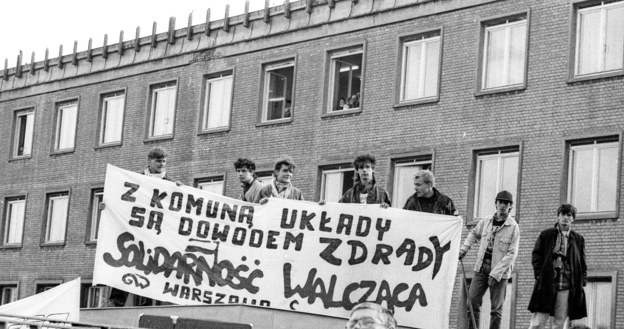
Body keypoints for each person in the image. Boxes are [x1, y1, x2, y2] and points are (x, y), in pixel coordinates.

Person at [107, 146, 181, 306]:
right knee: (127, 261)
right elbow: (119, 197)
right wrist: (106, 205)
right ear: (149, 161)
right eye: (158, 161)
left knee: (152, 265)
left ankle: (147, 303)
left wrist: (181, 191)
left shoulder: (171, 184)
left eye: (164, 161)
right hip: (135, 229)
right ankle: (116, 300)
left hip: (155, 232)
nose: (162, 164)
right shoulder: (135, 179)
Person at [458, 190, 519, 329]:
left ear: (511, 206)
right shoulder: (486, 221)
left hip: (500, 274)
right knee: (471, 304)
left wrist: (495, 273)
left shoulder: (513, 227)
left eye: (506, 203)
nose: (503, 205)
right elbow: (473, 234)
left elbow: (512, 254)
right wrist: (463, 249)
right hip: (481, 269)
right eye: (500, 202)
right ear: (496, 204)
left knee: (496, 310)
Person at [527, 203, 587, 329]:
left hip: (566, 284)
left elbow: (582, 263)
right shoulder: (546, 235)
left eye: (569, 215)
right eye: (563, 214)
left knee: (559, 324)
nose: (565, 217)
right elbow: (536, 256)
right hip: (547, 283)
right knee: (538, 323)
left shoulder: (578, 239)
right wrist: (539, 275)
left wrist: (582, 282)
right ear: (558, 217)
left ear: (573, 219)